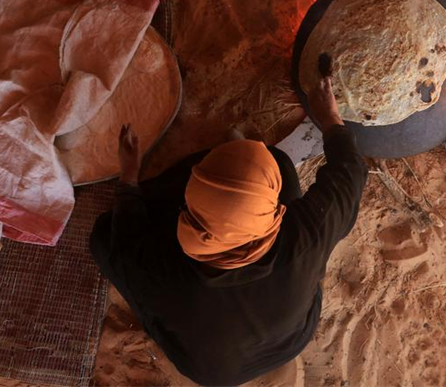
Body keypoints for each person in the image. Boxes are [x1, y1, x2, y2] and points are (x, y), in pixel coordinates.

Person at [90, 76, 367, 387]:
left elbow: (121, 242)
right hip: (292, 340)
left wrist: (129, 176)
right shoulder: (307, 237)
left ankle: (222, 172)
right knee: (278, 163)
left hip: (213, 373)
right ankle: (240, 166)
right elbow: (350, 173)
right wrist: (329, 116)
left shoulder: (163, 271)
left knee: (102, 237)